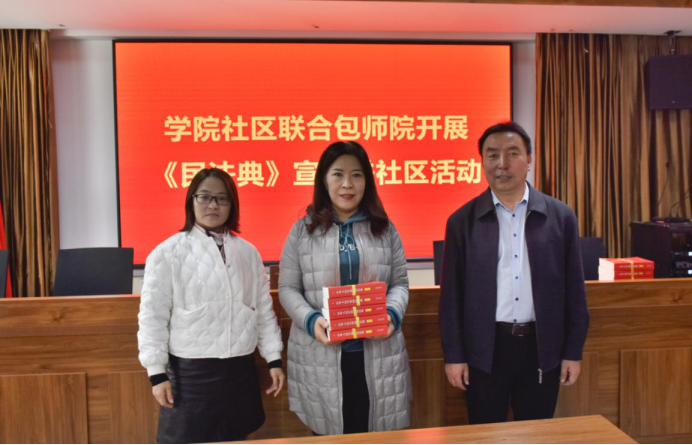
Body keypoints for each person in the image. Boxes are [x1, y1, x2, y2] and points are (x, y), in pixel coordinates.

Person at [439, 121, 590, 424]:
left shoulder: (560, 217)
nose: (502, 164)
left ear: (529, 159)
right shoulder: (462, 221)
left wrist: (573, 351)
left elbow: (575, 291)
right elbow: (451, 299)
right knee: (485, 433)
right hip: (485, 350)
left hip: (541, 348)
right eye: (492, 155)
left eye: (512, 153)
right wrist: (454, 356)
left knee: (536, 433)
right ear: (482, 161)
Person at [137, 168, 285, 443]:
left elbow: (263, 312)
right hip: (191, 374)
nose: (213, 205)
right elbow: (152, 318)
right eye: (204, 197)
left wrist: (273, 359)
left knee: (236, 436)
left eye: (222, 198)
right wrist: (156, 373)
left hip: (239, 371)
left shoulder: (248, 252)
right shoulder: (167, 253)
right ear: (191, 201)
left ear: (232, 204)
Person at [279, 141, 412, 435]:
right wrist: (311, 320)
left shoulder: (384, 228)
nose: (347, 184)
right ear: (324, 180)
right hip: (321, 356)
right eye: (338, 174)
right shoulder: (302, 230)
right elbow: (287, 288)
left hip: (378, 356)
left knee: (375, 434)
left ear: (367, 181)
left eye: (357, 175)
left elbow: (400, 284)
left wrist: (391, 314)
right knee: (327, 434)